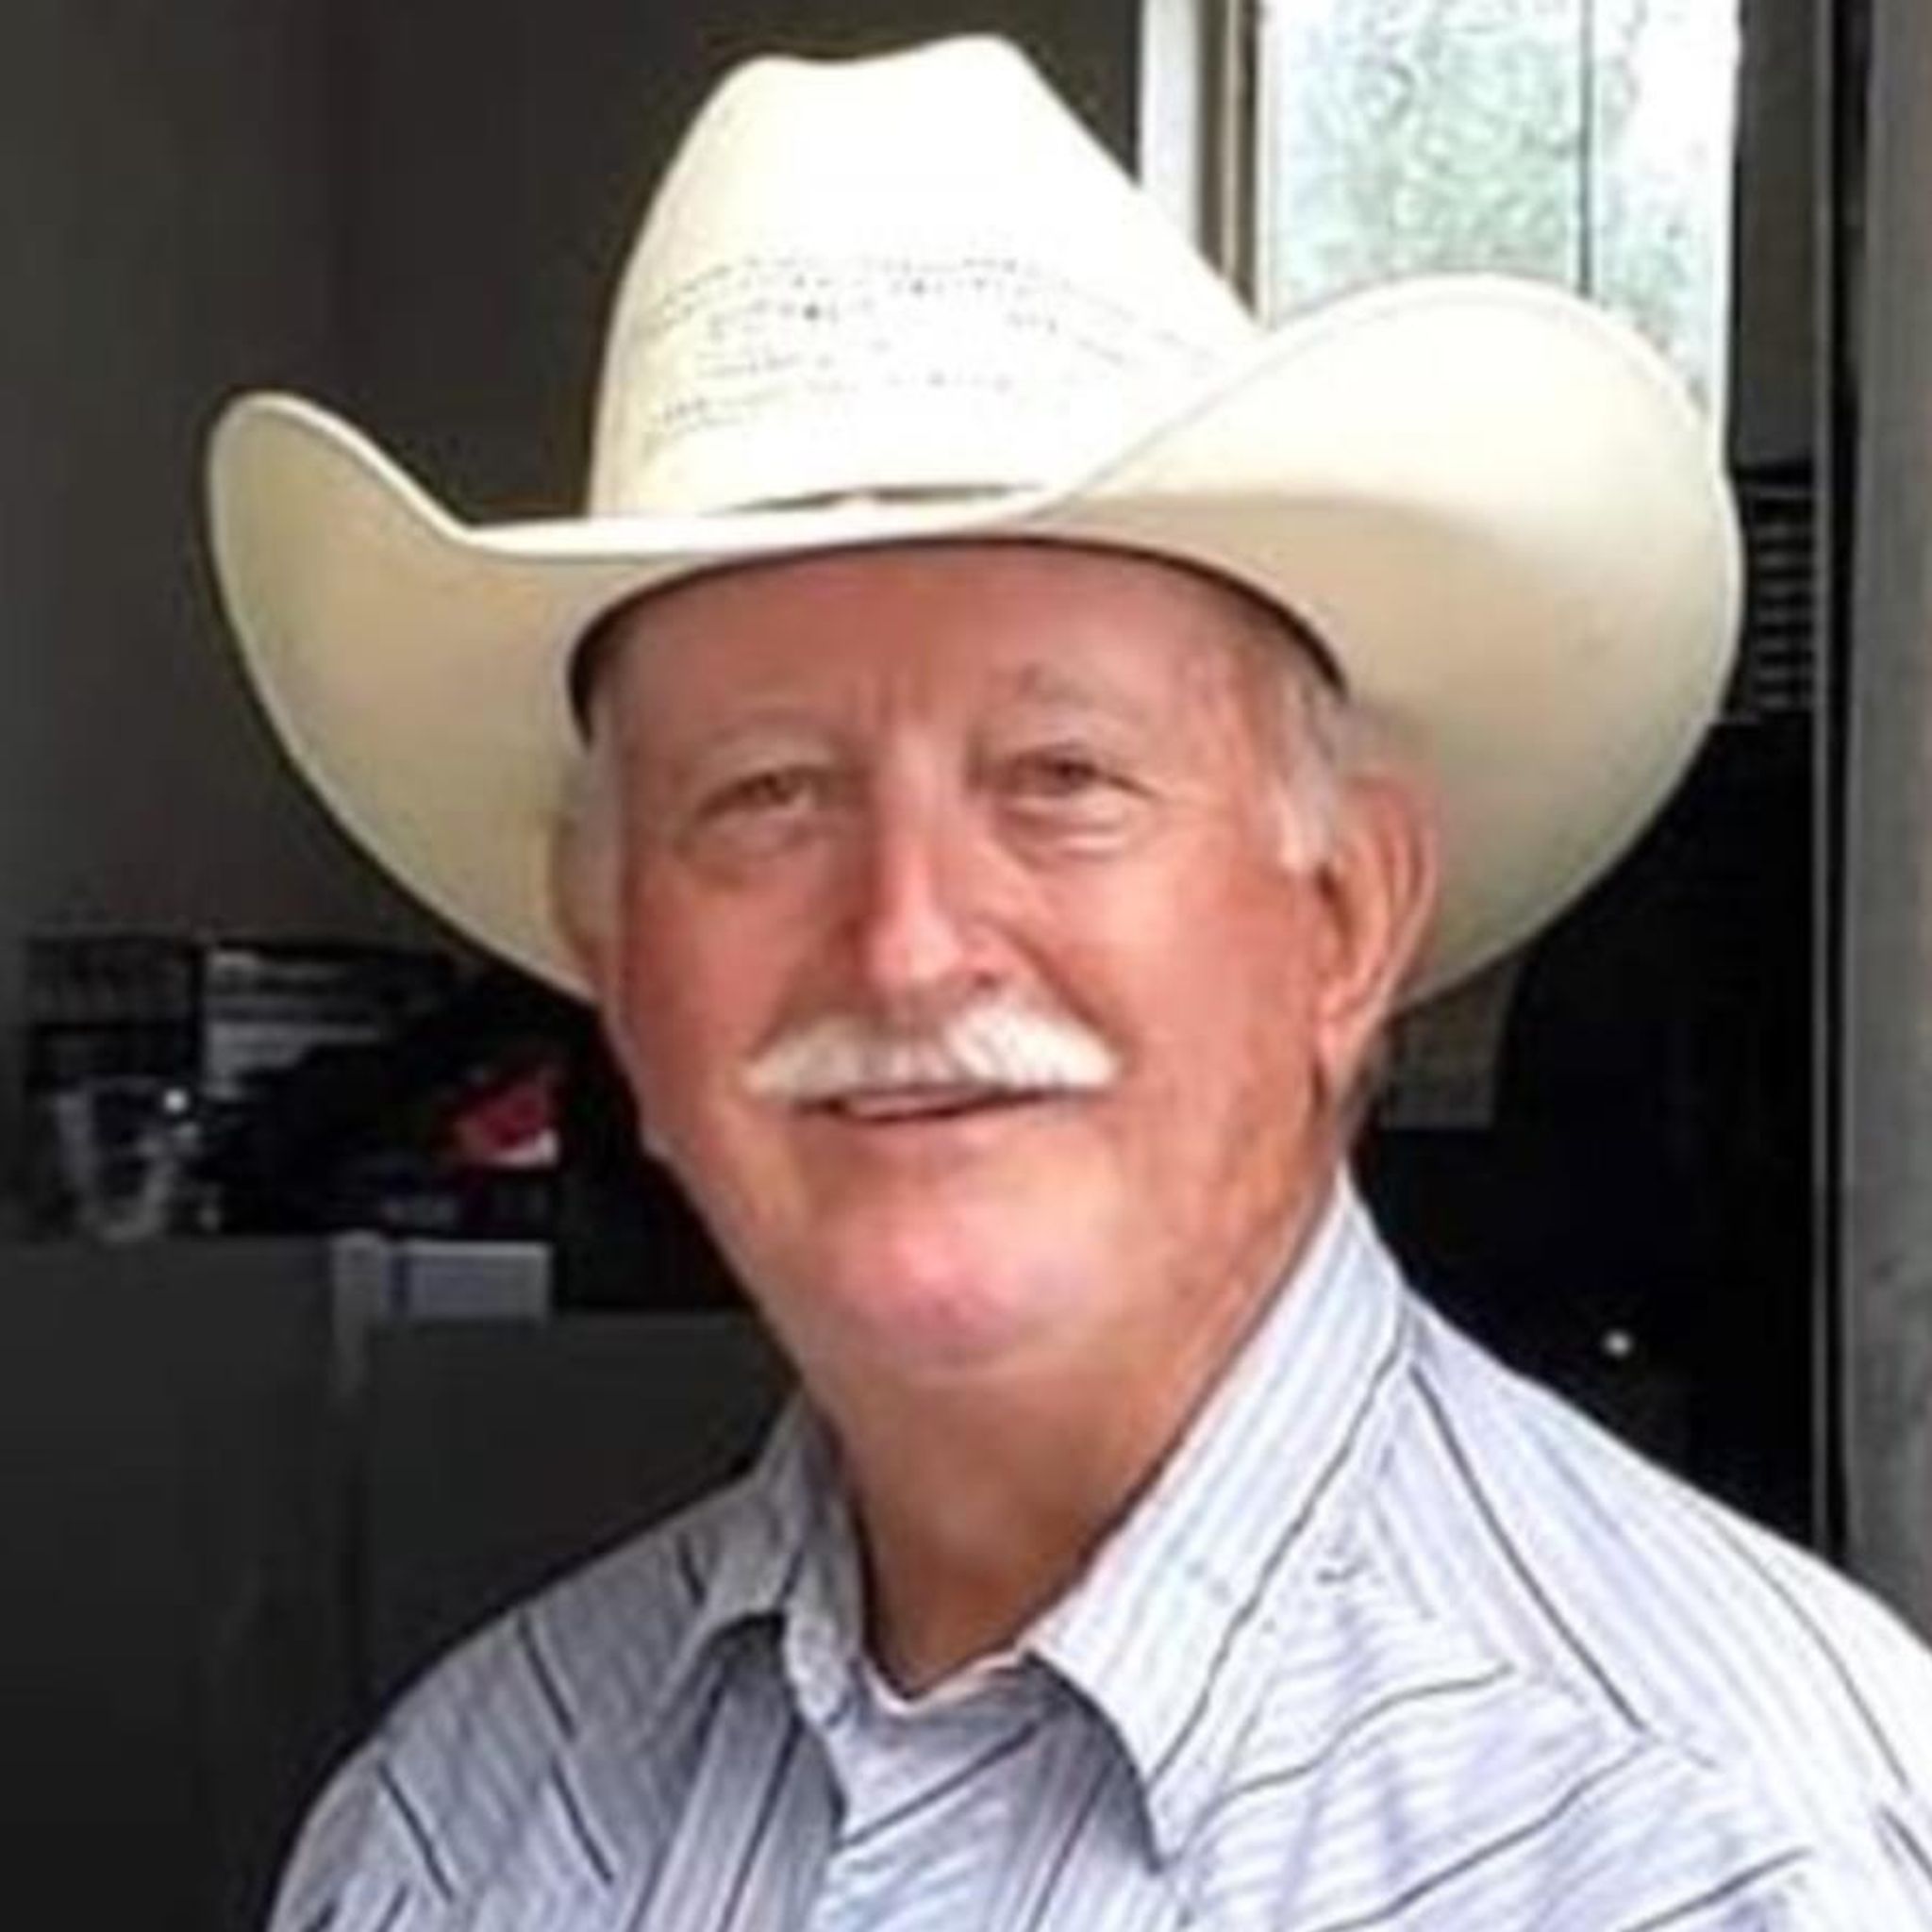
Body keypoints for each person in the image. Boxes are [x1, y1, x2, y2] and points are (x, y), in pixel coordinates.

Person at [207, 36, 1932, 1932]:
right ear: (615, 955)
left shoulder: (1712, 1852)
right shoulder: (466, 1826)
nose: (907, 941)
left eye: (1062, 779)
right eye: (767, 797)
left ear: (1346, 917)